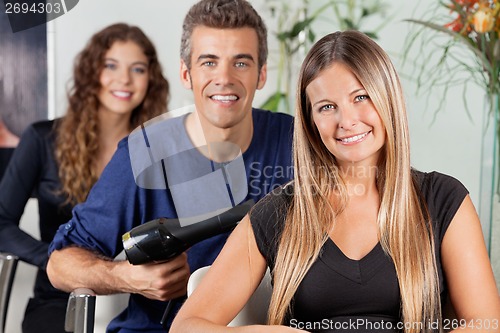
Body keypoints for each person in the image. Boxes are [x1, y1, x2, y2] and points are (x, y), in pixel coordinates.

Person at [170, 30, 500, 333]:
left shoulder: (444, 200)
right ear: (311, 122)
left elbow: (486, 324)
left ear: (387, 98)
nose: (347, 121)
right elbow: (186, 326)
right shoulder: (278, 214)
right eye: (327, 107)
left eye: (361, 97)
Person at [46, 0, 294, 332]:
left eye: (241, 62)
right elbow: (60, 265)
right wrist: (130, 278)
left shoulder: (296, 142)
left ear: (261, 73)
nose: (224, 78)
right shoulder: (144, 152)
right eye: (209, 62)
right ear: (185, 73)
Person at [0, 23, 169, 333]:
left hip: (141, 303)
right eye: (111, 65)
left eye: (138, 69)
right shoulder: (42, 139)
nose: (124, 79)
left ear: (151, 81)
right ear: (91, 72)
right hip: (58, 300)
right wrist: (56, 259)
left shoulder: (161, 148)